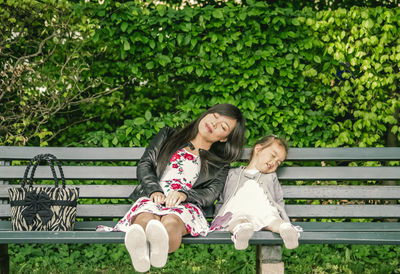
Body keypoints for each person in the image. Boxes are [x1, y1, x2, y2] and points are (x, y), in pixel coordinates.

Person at [97, 104, 245, 272]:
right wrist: (154, 190)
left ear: (224, 138)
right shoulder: (168, 135)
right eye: (215, 116)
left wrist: (185, 194)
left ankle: (159, 251)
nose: (214, 123)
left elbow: (210, 193)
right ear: (207, 114)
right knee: (146, 217)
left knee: (170, 221)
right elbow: (146, 163)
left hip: (185, 206)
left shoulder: (220, 164)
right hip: (153, 197)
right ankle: (141, 251)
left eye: (223, 127)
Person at [210, 135, 301, 251]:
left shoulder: (271, 176)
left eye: (278, 162)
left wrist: (282, 217)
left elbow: (278, 200)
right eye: (273, 155)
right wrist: (219, 214)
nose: (274, 162)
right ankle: (241, 231)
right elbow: (223, 198)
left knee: (272, 220)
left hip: (262, 209)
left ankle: (285, 229)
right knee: (237, 220)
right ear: (258, 149)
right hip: (237, 208)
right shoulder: (232, 174)